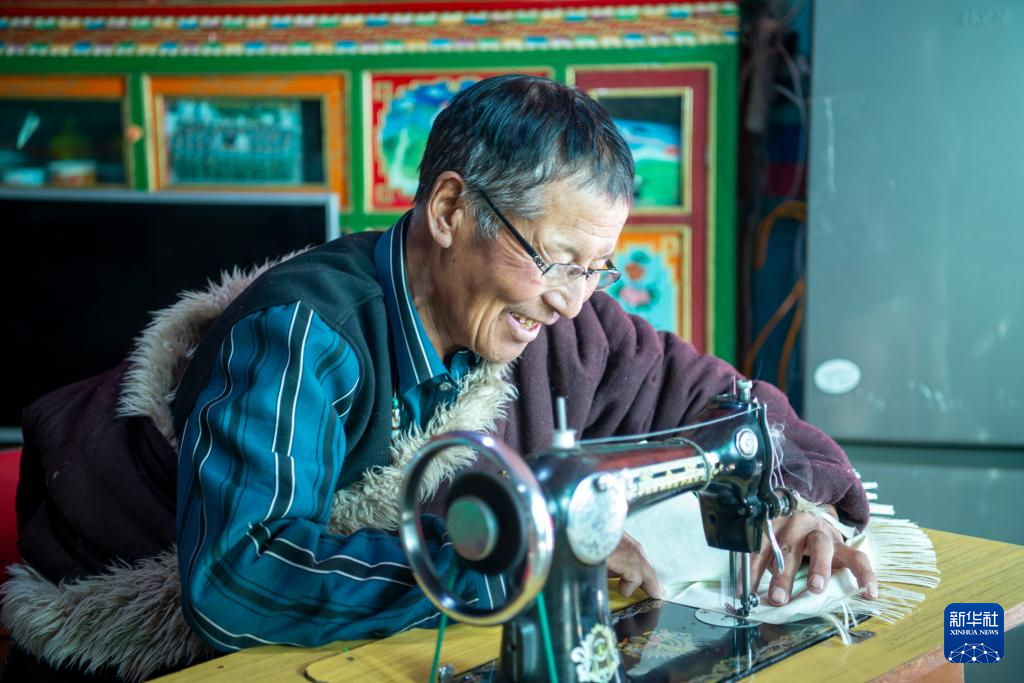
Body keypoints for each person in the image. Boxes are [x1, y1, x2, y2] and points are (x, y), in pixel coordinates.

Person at [2, 75, 871, 682]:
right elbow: (240, 575)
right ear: (452, 210)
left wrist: (800, 498)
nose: (574, 301)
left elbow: (719, 401)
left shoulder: (560, 318)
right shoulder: (303, 333)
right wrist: (520, 559)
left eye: (597, 267)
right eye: (557, 260)